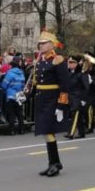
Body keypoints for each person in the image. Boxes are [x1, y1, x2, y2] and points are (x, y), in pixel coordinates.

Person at [31, 31, 71, 176]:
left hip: (52, 100)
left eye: (44, 43)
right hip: (42, 99)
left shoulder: (58, 60)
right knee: (45, 132)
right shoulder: (40, 61)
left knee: (48, 132)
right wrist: (27, 95)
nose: (40, 45)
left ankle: (54, 163)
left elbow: (65, 85)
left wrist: (61, 105)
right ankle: (53, 163)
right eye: (40, 43)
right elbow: (37, 83)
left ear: (52, 44)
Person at [64, 55, 90, 139]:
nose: (70, 63)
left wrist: (83, 99)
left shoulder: (81, 73)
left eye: (72, 62)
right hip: (70, 97)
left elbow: (86, 87)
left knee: (74, 114)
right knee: (77, 117)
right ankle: (82, 133)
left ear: (77, 63)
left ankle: (71, 133)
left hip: (78, 98)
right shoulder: (68, 73)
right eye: (69, 62)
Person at [2, 59, 27, 135]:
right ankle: (21, 129)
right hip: (19, 95)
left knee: (11, 113)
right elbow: (23, 85)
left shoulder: (9, 73)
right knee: (19, 113)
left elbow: (4, 84)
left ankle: (12, 130)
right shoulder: (21, 73)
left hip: (11, 95)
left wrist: (5, 90)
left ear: (11, 66)